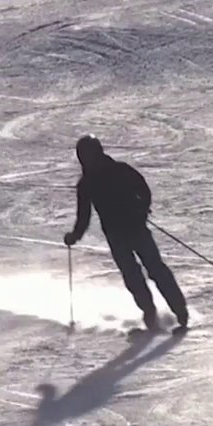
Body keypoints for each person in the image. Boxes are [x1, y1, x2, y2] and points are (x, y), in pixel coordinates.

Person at [62, 135, 189, 330]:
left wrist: (143, 208)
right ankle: (149, 310)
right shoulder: (86, 184)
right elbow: (84, 216)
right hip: (116, 235)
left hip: (135, 227)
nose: (87, 160)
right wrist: (75, 236)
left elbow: (143, 189)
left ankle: (180, 310)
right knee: (132, 275)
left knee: (155, 268)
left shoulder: (119, 170)